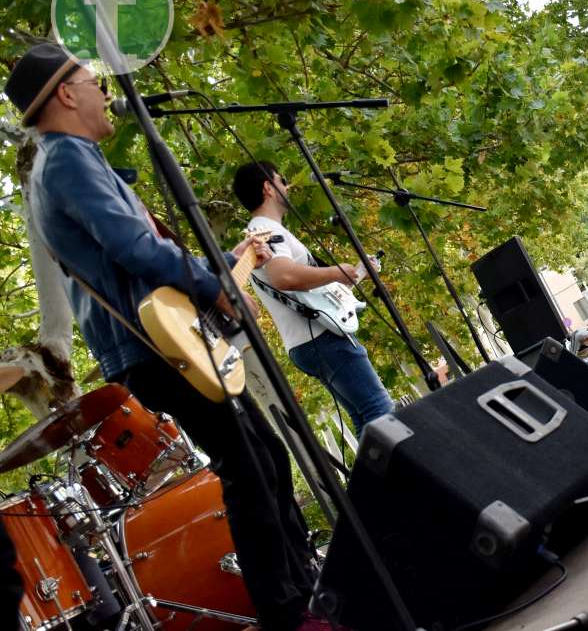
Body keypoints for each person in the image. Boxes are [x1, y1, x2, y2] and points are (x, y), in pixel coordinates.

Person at [9, 43, 326, 630]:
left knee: (263, 455)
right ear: (65, 94)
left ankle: (306, 594)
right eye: (92, 79)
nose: (106, 91)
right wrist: (213, 284)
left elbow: (133, 251)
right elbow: (134, 247)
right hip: (151, 345)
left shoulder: (67, 161)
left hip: (154, 341)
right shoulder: (68, 160)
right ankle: (291, 613)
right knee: (249, 466)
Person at [233, 161, 394, 437]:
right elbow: (284, 276)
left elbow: (306, 293)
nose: (288, 187)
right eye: (283, 180)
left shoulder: (266, 230)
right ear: (268, 188)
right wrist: (335, 272)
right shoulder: (264, 229)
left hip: (308, 341)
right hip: (322, 338)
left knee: (365, 418)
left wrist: (354, 274)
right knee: (380, 410)